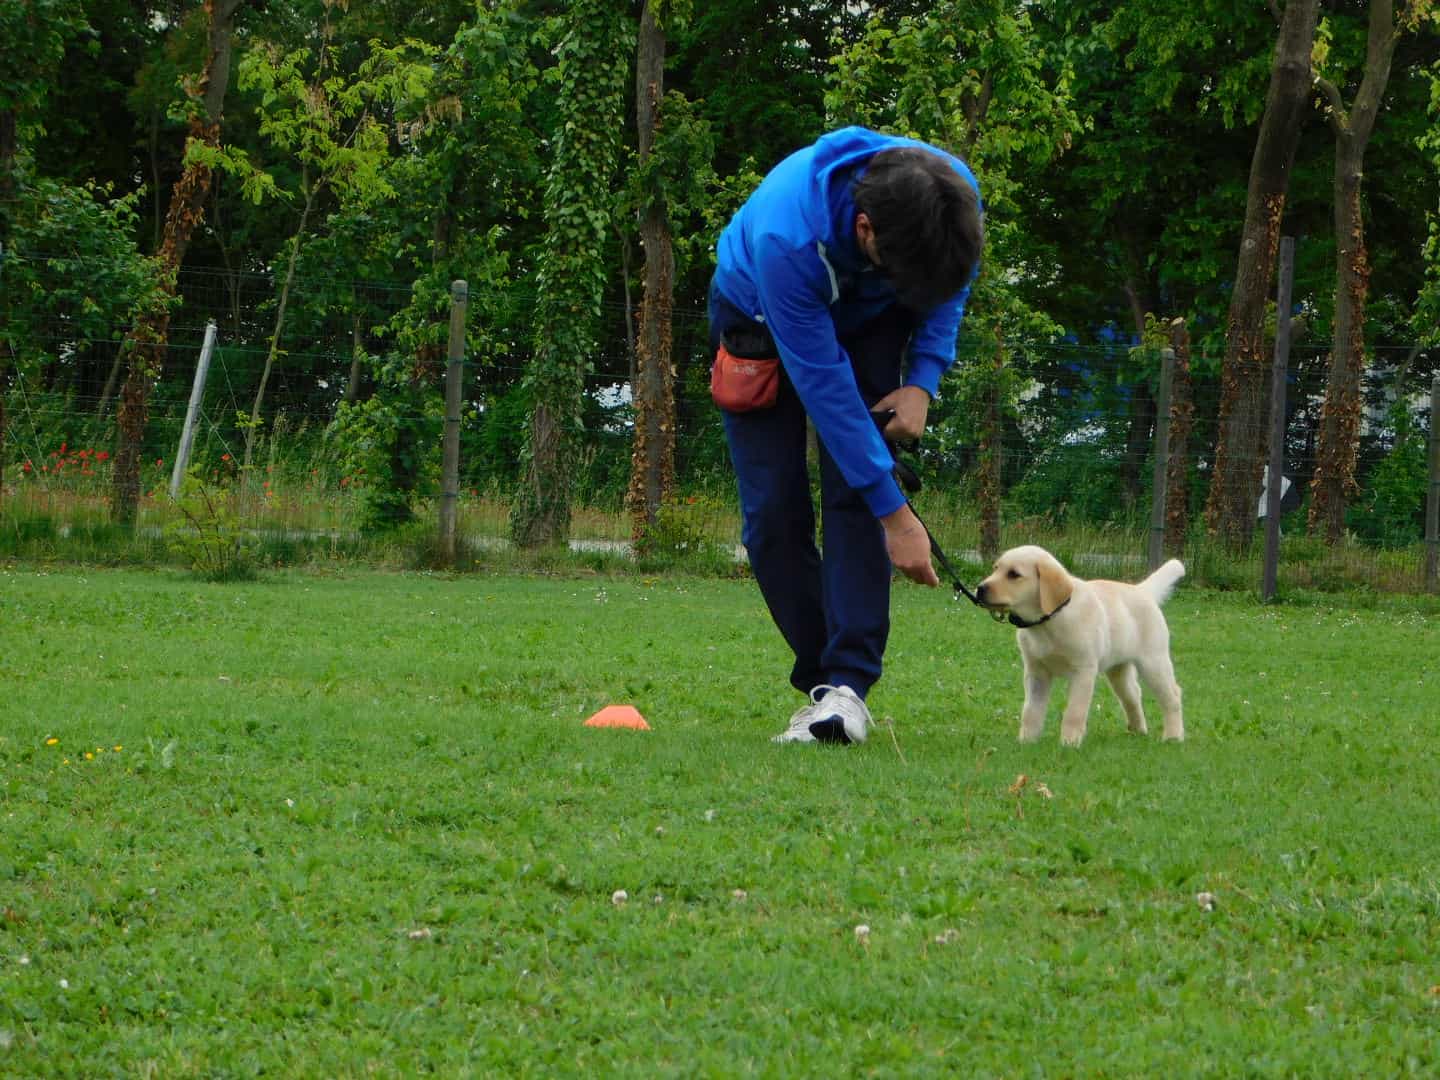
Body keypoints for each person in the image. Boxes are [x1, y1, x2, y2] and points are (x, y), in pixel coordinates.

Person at [708, 125, 983, 745]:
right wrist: (899, 516)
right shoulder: (788, 236)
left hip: (870, 316)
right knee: (773, 513)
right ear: (865, 232)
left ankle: (847, 689)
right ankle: (821, 682)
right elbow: (827, 394)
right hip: (761, 312)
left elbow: (949, 282)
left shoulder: (950, 195)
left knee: (853, 497)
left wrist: (923, 379)